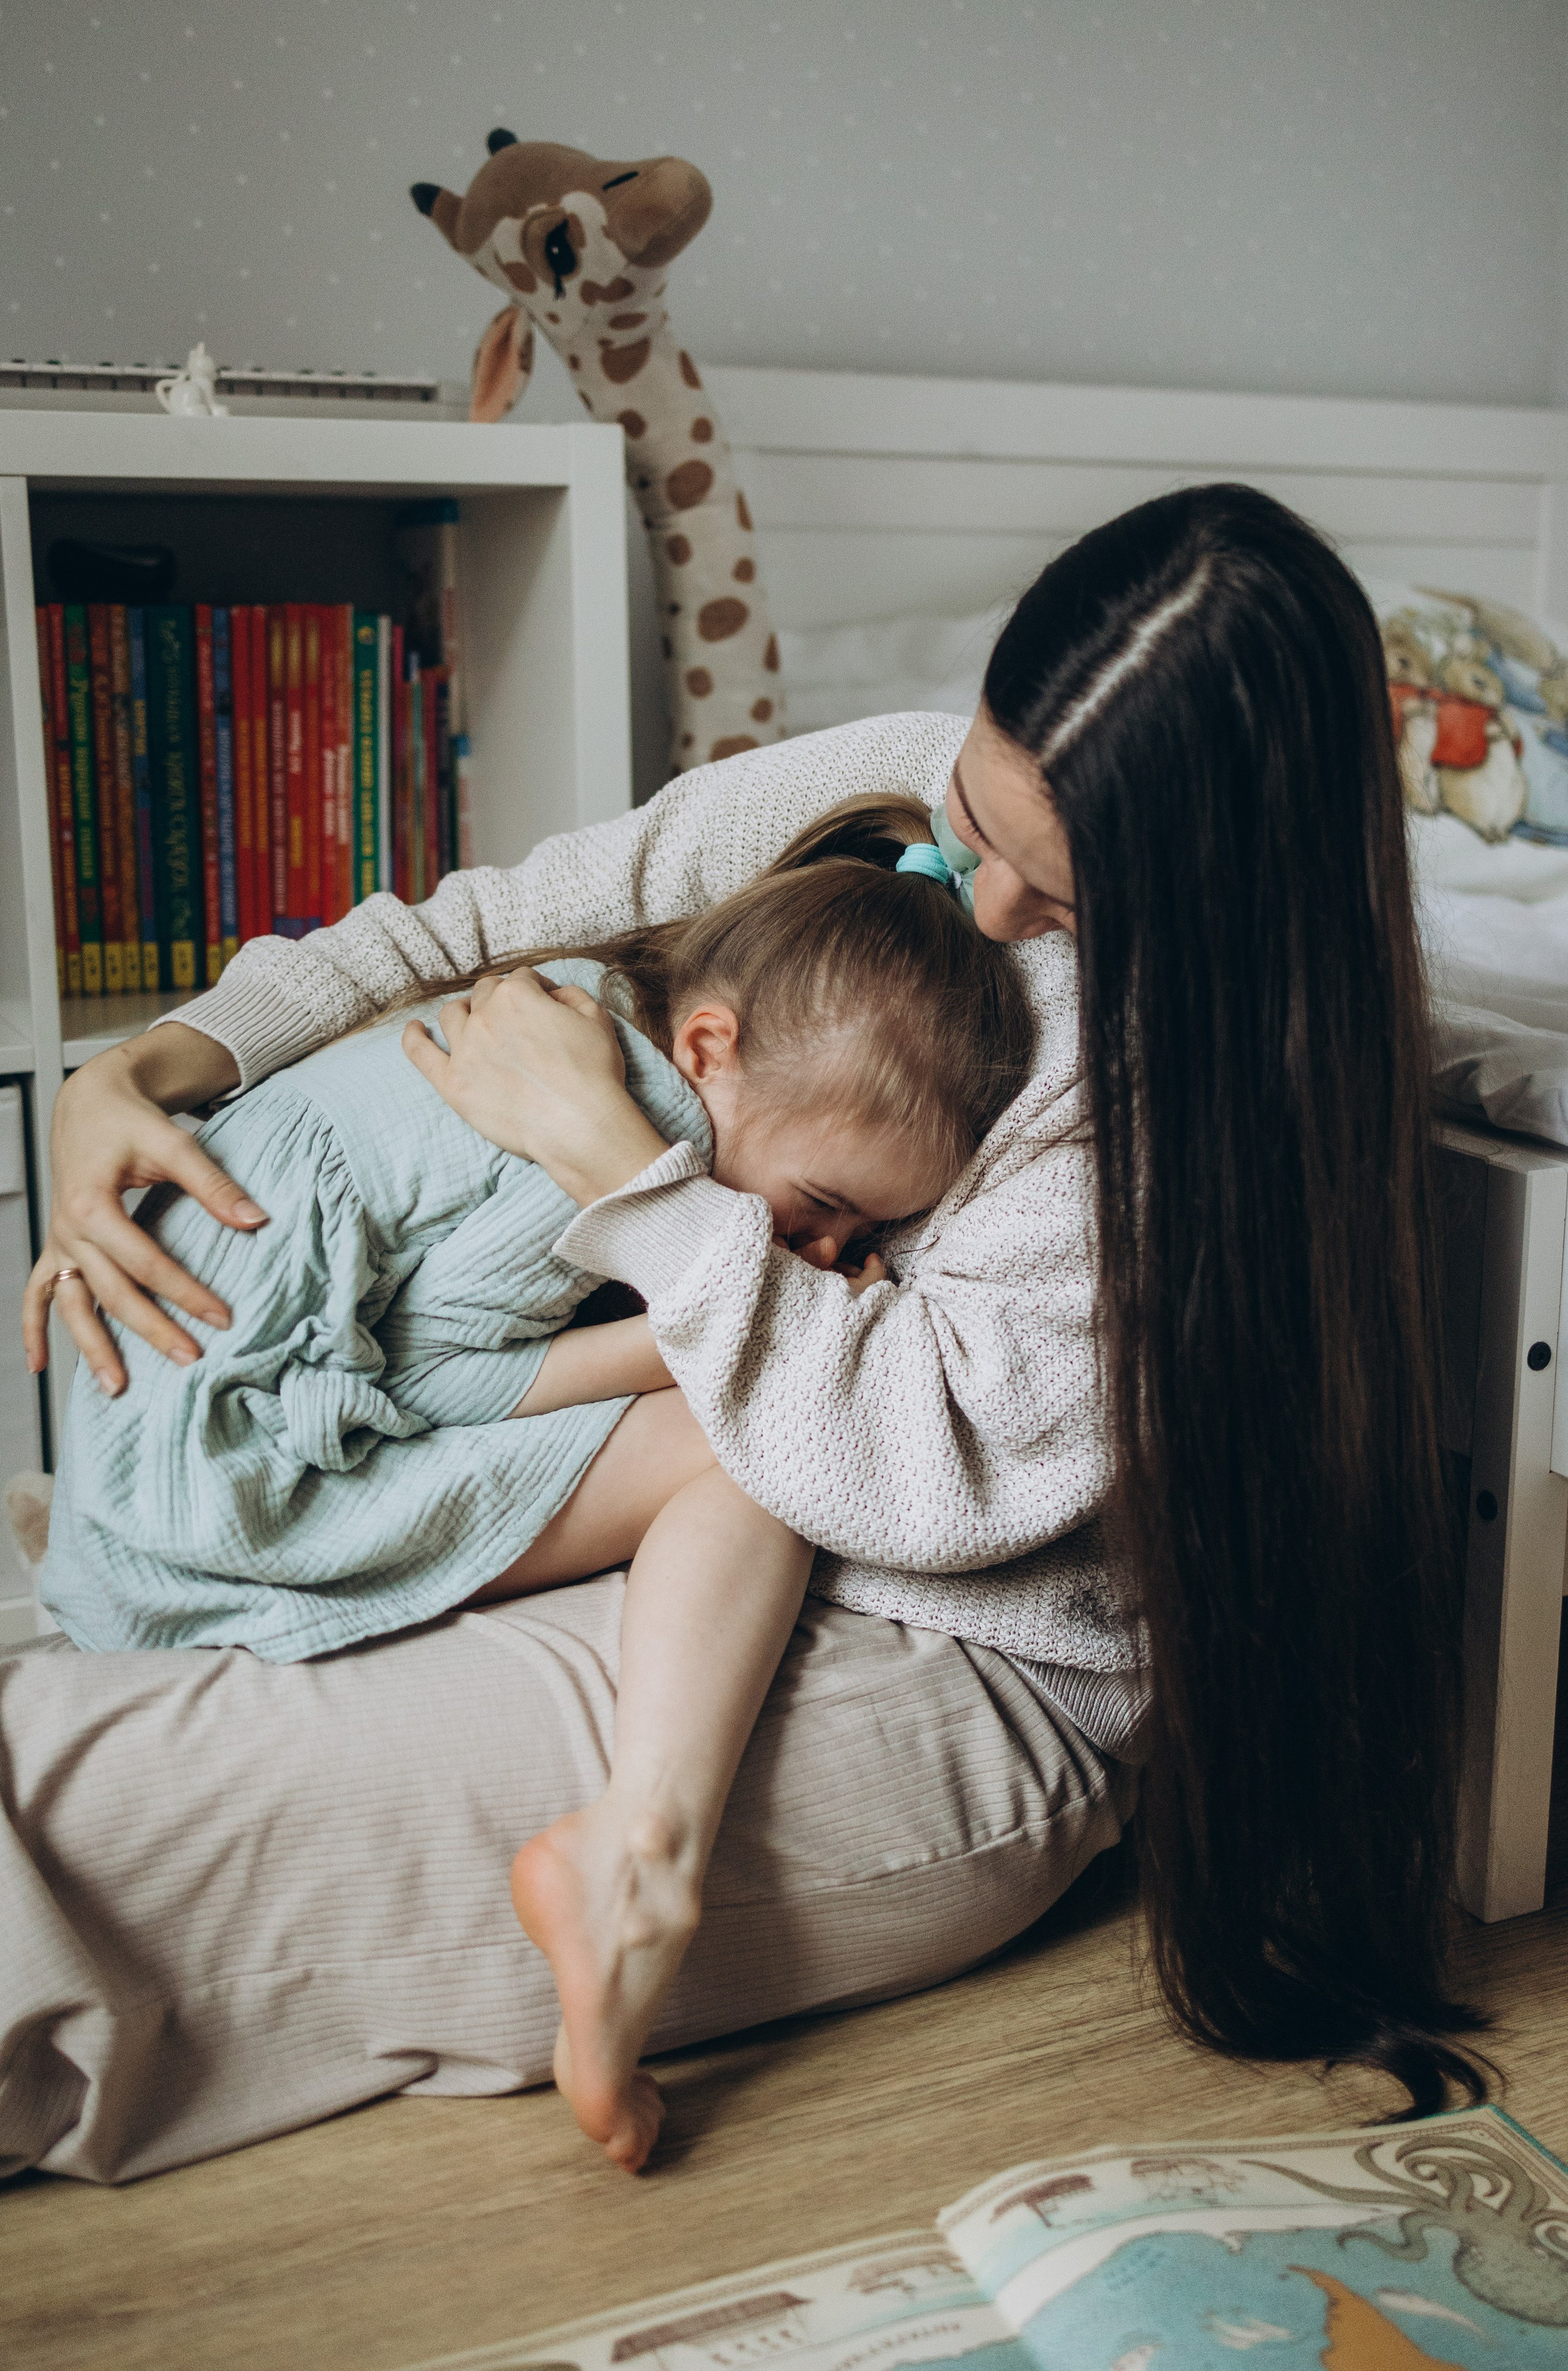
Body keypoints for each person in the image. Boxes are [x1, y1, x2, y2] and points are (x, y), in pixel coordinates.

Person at [8, 483, 1484, 2187]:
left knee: (78, 1797)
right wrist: (142, 1073)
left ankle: (643, 1863)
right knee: (101, 1679)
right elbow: (481, 926)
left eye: (1059, 896)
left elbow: (913, 1467)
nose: (984, 904)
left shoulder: (1198, 1093)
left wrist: (626, 1172)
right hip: (682, 1512)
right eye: (979, 815)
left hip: (933, 1644)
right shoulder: (892, 794)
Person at [39, 796, 1033, 2173]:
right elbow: (436, 1391)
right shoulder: (588, 1120)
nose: (815, 1245)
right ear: (708, 1051)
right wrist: (679, 1341)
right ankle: (639, 1861)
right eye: (815, 1203)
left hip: (142, 1458)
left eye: (861, 1231)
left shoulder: (582, 1022)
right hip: (221, 1486)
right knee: (749, 1435)